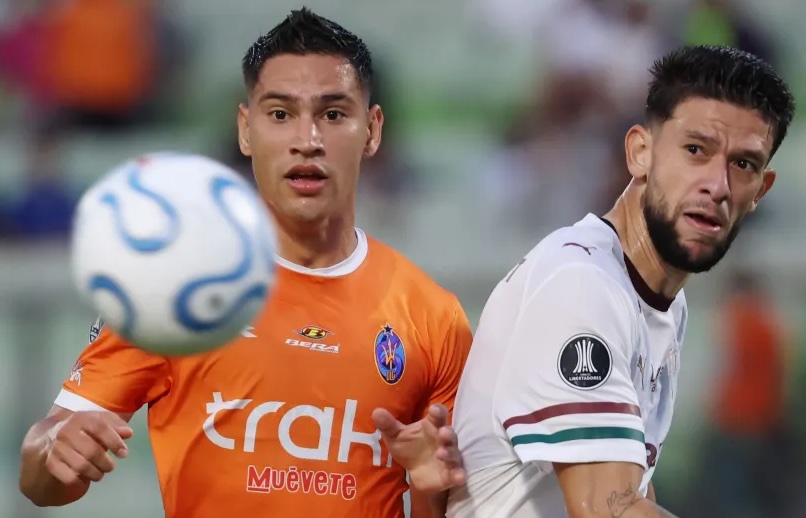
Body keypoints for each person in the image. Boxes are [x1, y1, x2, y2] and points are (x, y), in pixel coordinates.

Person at [18, 8, 472, 518]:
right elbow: (41, 479)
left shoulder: (434, 318)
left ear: (372, 129)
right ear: (245, 130)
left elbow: (446, 496)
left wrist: (430, 491)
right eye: (280, 114)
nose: (307, 140)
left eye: (333, 114)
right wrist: (55, 450)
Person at [445, 44, 795, 518]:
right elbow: (608, 508)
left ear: (760, 192)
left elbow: (635, 493)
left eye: (743, 164)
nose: (718, 185)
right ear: (640, 153)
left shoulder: (663, 302)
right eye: (696, 150)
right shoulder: (581, 285)